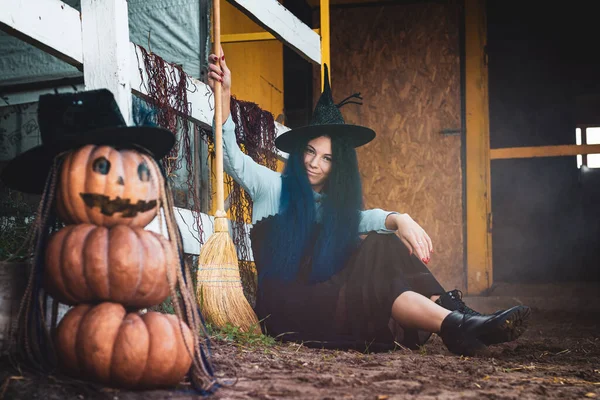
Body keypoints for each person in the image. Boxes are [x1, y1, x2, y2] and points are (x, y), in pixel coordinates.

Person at [206, 51, 530, 356]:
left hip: (325, 303)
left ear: (338, 167)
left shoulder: (332, 207)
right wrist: (224, 95)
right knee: (379, 248)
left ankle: (459, 324)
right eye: (310, 152)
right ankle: (461, 320)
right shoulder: (270, 185)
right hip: (287, 309)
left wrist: (400, 218)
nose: (314, 163)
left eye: (327, 158)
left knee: (383, 242)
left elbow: (367, 218)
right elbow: (230, 156)